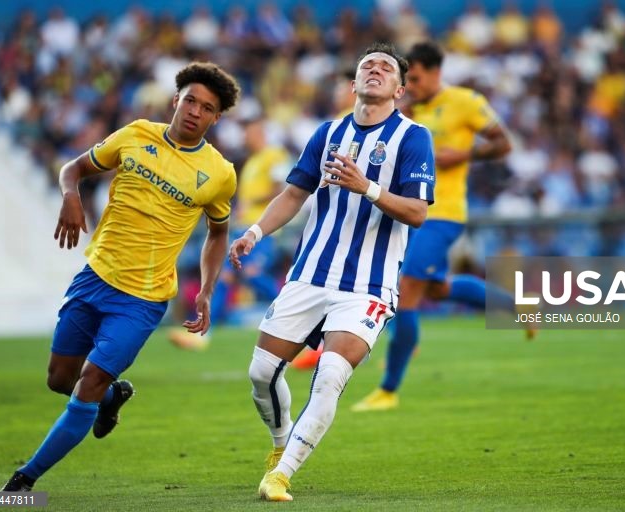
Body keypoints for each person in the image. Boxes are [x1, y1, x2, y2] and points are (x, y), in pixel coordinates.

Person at [0, 62, 240, 491]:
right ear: (176, 100)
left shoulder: (220, 173)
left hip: (142, 300)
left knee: (89, 380)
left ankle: (21, 484)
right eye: (190, 101)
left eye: (207, 108)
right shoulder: (135, 134)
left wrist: (205, 290)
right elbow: (71, 169)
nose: (195, 112)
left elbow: (218, 234)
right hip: (94, 277)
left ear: (216, 117)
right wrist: (71, 196)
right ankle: (113, 397)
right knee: (60, 378)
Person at [229, 42, 435, 501]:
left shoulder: (413, 137)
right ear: (354, 82)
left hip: (368, 285)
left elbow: (417, 212)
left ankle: (280, 474)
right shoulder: (328, 132)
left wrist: (368, 187)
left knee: (329, 375)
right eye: (368, 65)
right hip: (309, 276)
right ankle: (280, 443)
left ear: (399, 89)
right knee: (261, 373)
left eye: (386, 67)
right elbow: (293, 194)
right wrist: (255, 233)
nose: (375, 70)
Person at [351, 41, 521, 413]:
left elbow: (503, 143)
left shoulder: (465, 101)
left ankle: (388, 389)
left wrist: (464, 154)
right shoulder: (407, 108)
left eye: (416, 78)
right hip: (404, 213)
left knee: (406, 289)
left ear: (435, 72)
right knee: (438, 289)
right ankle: (515, 306)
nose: (411, 85)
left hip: (443, 213)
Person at [169, 116, 290, 350]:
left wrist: (252, 202)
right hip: (242, 229)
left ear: (260, 133)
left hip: (262, 230)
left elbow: (280, 190)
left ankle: (294, 312)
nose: (246, 137)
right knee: (224, 278)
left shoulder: (274, 156)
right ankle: (202, 332)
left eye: (250, 132)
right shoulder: (251, 162)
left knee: (252, 274)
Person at [290, 67, 357, 370]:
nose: (338, 93)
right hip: (335, 219)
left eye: (343, 87)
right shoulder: (332, 128)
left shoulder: (359, 124)